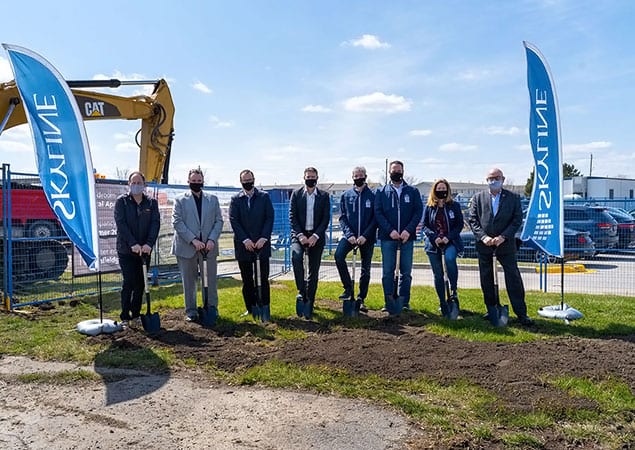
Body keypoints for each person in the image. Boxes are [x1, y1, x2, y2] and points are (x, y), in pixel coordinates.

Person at [468, 167, 533, 326]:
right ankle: (492, 309)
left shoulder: (513, 198)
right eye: (490, 178)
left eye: (496, 178)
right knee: (487, 278)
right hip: (485, 246)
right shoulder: (478, 198)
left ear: (503, 179)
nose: (493, 181)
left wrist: (503, 237)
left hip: (506, 245)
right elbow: (473, 220)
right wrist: (484, 237)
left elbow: (517, 220)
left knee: (513, 278)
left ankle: (521, 313)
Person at [172, 168, 223, 322]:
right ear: (188, 182)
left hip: (208, 247)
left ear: (203, 182)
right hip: (187, 247)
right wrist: (193, 240)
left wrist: (212, 240)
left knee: (210, 280)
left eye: (199, 181)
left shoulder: (212, 199)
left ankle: (211, 307)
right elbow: (177, 222)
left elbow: (219, 221)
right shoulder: (180, 200)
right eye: (193, 181)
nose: (196, 183)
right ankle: (191, 311)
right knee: (189, 281)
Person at [374, 160, 423, 312]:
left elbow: (418, 212)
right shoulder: (382, 192)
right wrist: (390, 231)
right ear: (389, 173)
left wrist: (408, 230)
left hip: (407, 238)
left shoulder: (412, 191)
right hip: (388, 238)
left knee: (406, 272)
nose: (396, 172)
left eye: (399, 170)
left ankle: (404, 302)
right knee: (388, 271)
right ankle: (389, 301)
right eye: (393, 170)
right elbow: (378, 212)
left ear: (403, 171)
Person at [114, 171, 160, 326]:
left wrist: (149, 244)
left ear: (144, 185)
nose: (136, 186)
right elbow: (121, 224)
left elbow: (155, 224)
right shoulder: (122, 202)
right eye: (133, 183)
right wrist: (133, 243)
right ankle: (125, 316)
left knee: (141, 283)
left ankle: (136, 314)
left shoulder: (151, 203)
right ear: (128, 185)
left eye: (139, 183)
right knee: (129, 282)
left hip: (145, 250)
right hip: (127, 250)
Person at [229, 169, 275, 321]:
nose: (248, 183)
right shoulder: (236, 199)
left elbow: (269, 218)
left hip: (262, 245)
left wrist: (263, 238)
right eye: (245, 180)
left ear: (254, 180)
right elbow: (234, 220)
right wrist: (245, 240)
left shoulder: (264, 197)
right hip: (244, 246)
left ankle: (265, 306)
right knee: (247, 279)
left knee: (262, 278)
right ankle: (251, 307)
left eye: (250, 180)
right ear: (241, 181)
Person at [289, 166, 331, 318]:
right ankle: (302, 291)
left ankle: (310, 301)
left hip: (316, 236)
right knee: (296, 257)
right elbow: (292, 217)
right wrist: (300, 235)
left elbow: (326, 218)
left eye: (313, 177)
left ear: (317, 178)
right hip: (299, 235)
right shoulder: (296, 194)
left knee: (313, 271)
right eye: (308, 176)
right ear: (304, 177)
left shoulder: (324, 196)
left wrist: (316, 236)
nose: (310, 179)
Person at [334, 166, 377, 313]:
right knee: (338, 256)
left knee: (366, 269)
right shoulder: (346, 195)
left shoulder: (372, 195)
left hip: (367, 237)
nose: (359, 178)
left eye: (361, 175)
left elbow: (375, 218)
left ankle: (361, 298)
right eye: (356, 175)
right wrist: (349, 234)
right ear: (352, 177)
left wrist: (365, 235)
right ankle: (348, 288)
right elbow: (342, 217)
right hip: (349, 236)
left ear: (365, 176)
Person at [421, 179, 464, 317]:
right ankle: (442, 302)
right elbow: (425, 225)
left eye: (443, 188)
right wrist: (434, 237)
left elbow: (459, 225)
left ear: (448, 190)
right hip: (433, 244)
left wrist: (448, 237)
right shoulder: (429, 207)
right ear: (434, 190)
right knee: (438, 274)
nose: (441, 191)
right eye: (438, 188)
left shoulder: (454, 206)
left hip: (450, 241)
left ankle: (453, 290)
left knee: (450, 258)